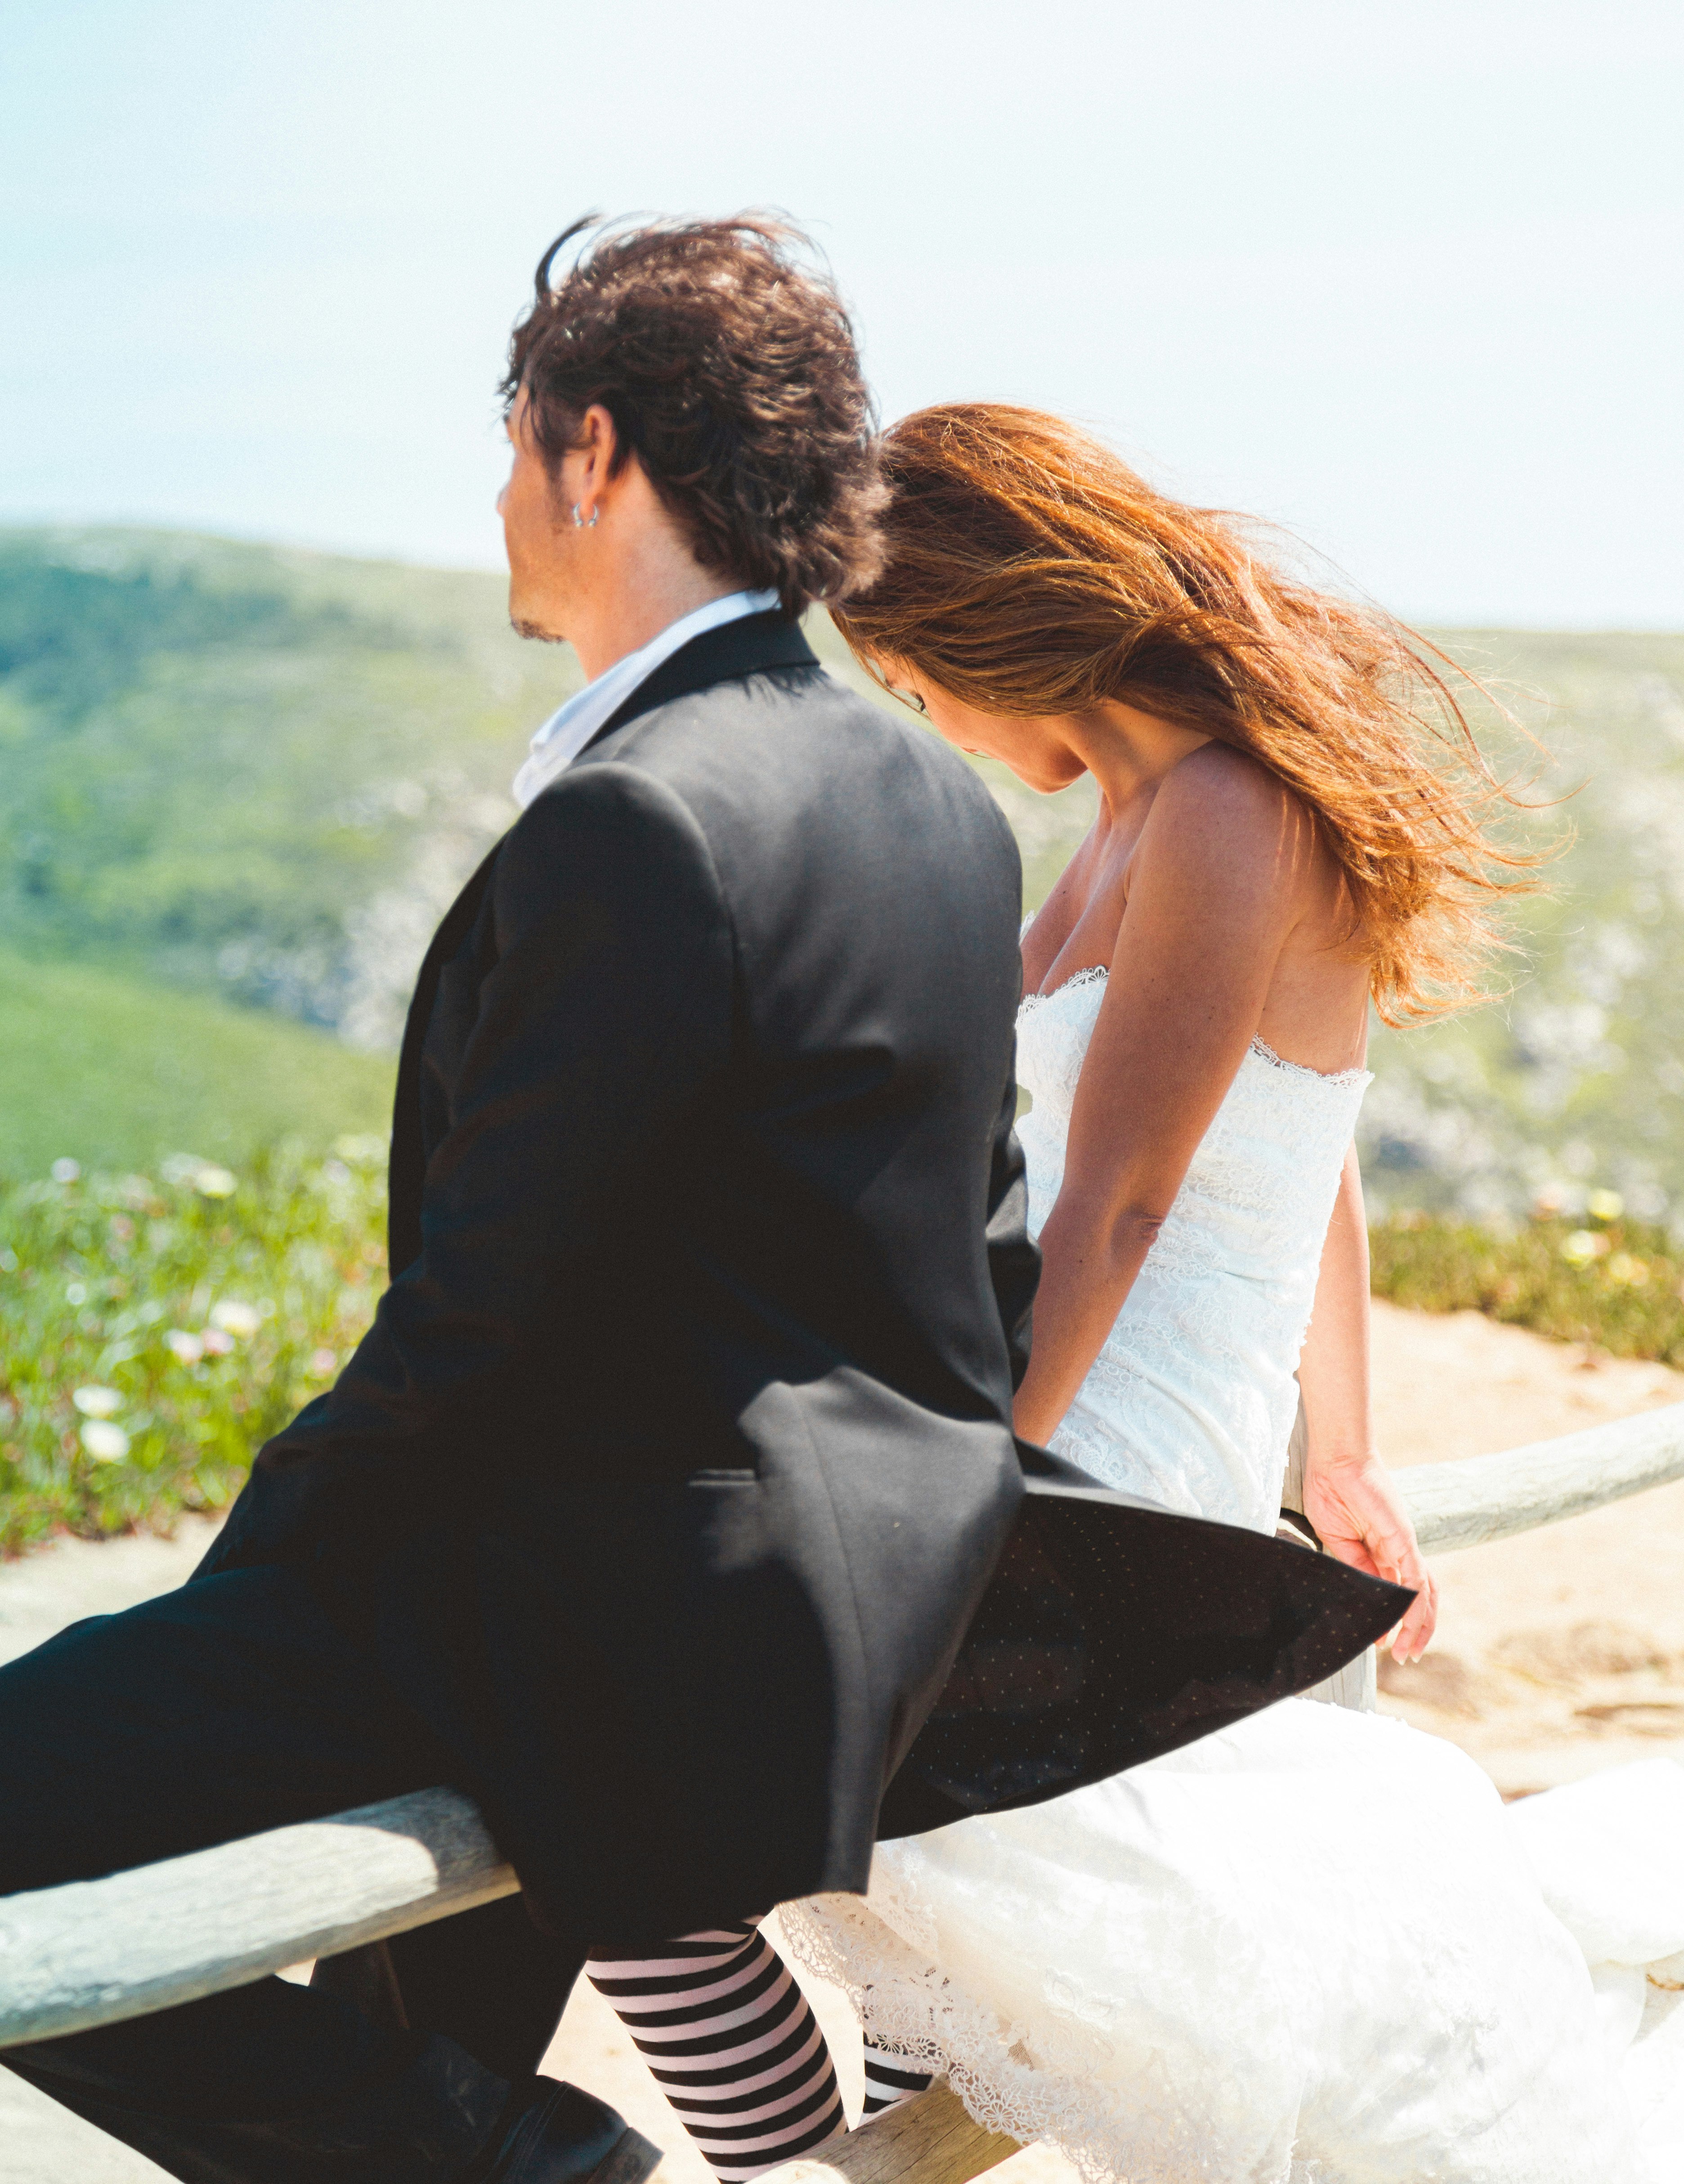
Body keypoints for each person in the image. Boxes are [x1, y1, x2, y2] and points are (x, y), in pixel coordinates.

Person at [0, 236, 1397, 2184]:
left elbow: (486, 1317)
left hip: (604, 1584)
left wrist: (259, 1560)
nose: (497, 498)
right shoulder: (934, 801)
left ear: (591, 456)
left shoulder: (639, 818)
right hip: (794, 1566)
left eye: (510, 447)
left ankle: (530, 2164)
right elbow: (956, 1229)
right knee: (519, 1957)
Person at [762, 405, 1682, 2180]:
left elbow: (1119, 1201)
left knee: (801, 1713)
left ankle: (791, 2130)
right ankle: (839, 2117)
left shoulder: (1225, 807)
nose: (924, 723)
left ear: (979, 628)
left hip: (1112, 1439)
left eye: (910, 681)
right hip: (1062, 1393)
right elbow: (1306, 1134)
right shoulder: (1132, 810)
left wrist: (970, 1480)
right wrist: (1345, 1441)